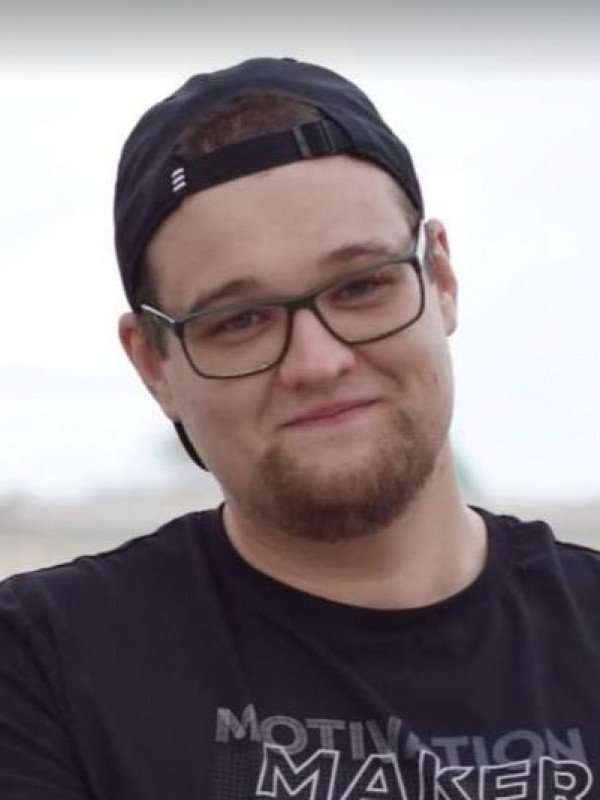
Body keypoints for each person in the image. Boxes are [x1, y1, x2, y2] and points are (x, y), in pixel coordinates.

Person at [0, 57, 598, 800]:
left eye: (361, 286)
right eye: (238, 320)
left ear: (440, 279)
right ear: (154, 364)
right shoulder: (41, 667)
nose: (317, 362)